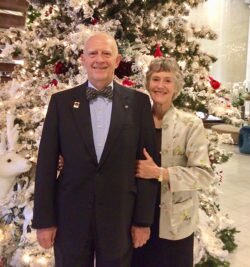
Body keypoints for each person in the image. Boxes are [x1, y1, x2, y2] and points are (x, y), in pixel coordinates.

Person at [32, 32, 157, 267]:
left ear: (117, 60)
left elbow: (146, 165)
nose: (99, 59)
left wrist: (143, 221)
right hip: (71, 214)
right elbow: (47, 165)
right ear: (83, 59)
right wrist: (44, 221)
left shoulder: (139, 103)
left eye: (106, 53)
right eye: (93, 53)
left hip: (120, 215)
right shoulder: (61, 103)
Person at [131, 57, 214, 267]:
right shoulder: (134, 122)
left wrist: (159, 173)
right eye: (155, 79)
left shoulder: (190, 124)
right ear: (148, 83)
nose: (160, 85)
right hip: (138, 218)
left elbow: (203, 174)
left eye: (167, 80)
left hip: (175, 222)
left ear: (176, 86)